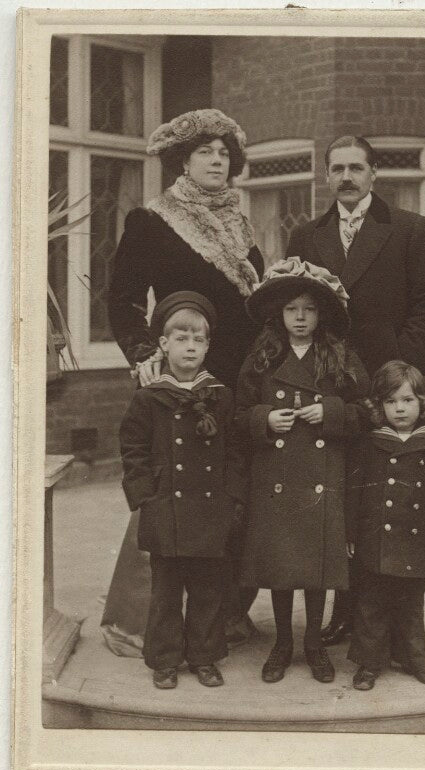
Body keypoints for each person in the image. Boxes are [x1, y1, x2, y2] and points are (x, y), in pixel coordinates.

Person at [102, 109, 264, 655]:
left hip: (236, 383)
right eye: (205, 152)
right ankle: (139, 623)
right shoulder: (152, 221)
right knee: (169, 496)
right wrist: (146, 353)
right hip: (179, 373)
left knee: (228, 497)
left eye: (224, 153)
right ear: (183, 161)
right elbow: (121, 300)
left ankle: (218, 622)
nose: (217, 161)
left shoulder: (241, 225)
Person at [286, 134, 425, 646]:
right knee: (338, 501)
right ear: (326, 176)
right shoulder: (307, 236)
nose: (346, 178)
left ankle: (391, 624)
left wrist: (402, 372)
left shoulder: (409, 230)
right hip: (328, 394)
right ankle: (344, 612)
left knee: (385, 503)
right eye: (336, 168)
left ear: (374, 173)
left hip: (384, 392)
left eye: (356, 167)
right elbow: (292, 307)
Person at [235, 258, 370, 684]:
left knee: (315, 567)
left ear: (321, 314)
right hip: (274, 474)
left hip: (322, 475)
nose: (299, 317)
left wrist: (328, 411)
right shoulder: (260, 357)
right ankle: (282, 644)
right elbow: (235, 416)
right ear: (279, 312)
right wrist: (264, 420)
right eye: (292, 308)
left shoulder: (339, 357)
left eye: (309, 309)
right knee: (279, 565)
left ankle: (313, 642)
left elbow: (366, 411)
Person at [119, 291, 246, 689]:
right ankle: (165, 660)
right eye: (181, 338)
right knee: (167, 593)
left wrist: (232, 499)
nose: (190, 347)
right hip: (166, 510)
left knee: (209, 590)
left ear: (208, 346)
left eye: (198, 340)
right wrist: (146, 498)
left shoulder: (220, 396)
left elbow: (236, 452)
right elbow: (133, 450)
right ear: (163, 344)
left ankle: (204, 657)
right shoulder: (148, 398)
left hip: (211, 512)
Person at [345, 360, 425, 691]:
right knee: (371, 604)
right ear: (379, 406)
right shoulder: (369, 445)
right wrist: (349, 535)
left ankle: (415, 659)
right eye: (390, 401)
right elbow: (354, 494)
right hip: (376, 539)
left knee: (411, 605)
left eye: (407, 400)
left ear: (422, 403)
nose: (399, 409)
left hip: (416, 542)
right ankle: (369, 664)